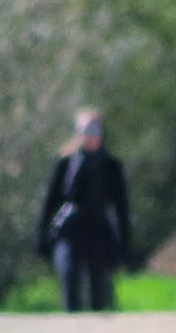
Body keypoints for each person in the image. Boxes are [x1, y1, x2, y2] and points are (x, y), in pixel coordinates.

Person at [36, 108, 131, 313]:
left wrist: (124, 244)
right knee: (69, 279)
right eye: (85, 130)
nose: (89, 135)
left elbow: (122, 208)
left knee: (98, 293)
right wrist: (41, 236)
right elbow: (50, 202)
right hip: (69, 231)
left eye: (94, 129)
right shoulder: (64, 163)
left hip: (99, 232)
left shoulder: (110, 166)